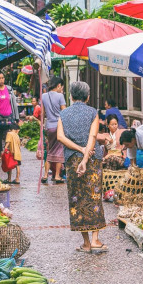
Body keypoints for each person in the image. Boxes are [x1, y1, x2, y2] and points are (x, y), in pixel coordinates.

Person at [57, 81, 107, 253]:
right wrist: (85, 157)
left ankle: (86, 243)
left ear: (70, 96)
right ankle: (95, 240)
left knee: (77, 198)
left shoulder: (63, 114)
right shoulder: (93, 112)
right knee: (94, 197)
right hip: (92, 160)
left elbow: (60, 137)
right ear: (87, 96)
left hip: (72, 160)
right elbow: (93, 136)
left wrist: (78, 150)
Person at [41, 77, 67, 184]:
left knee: (50, 150)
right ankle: (57, 176)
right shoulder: (60, 96)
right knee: (60, 151)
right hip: (59, 126)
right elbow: (64, 112)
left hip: (49, 126)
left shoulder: (43, 96)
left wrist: (42, 125)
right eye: (62, 87)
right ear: (58, 85)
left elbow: (42, 113)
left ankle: (45, 174)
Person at [0, 71, 19, 160]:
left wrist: (17, 117)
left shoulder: (9, 89)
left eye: (3, 78)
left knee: (8, 138)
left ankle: (8, 154)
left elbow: (14, 103)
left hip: (9, 117)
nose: (2, 80)